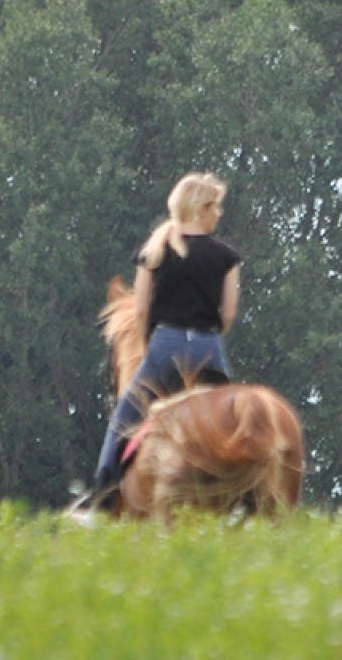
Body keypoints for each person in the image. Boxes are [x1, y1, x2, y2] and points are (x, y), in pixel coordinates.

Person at [87, 172, 242, 506]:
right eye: (216, 207)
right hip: (208, 349)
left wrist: (149, 346)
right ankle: (241, 503)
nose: (220, 213)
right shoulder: (226, 257)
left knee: (122, 421)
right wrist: (208, 338)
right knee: (234, 425)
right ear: (202, 208)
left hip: (165, 347)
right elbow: (228, 314)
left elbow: (141, 311)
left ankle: (102, 499)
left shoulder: (153, 253)